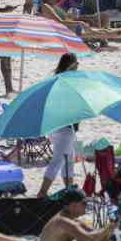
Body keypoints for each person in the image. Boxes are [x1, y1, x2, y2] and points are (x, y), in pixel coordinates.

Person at [37, 54, 79, 197]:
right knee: (59, 161)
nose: (78, 66)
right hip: (64, 127)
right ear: (71, 65)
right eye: (76, 64)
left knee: (68, 161)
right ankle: (42, 192)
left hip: (57, 126)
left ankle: (70, 192)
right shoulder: (66, 82)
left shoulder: (57, 80)